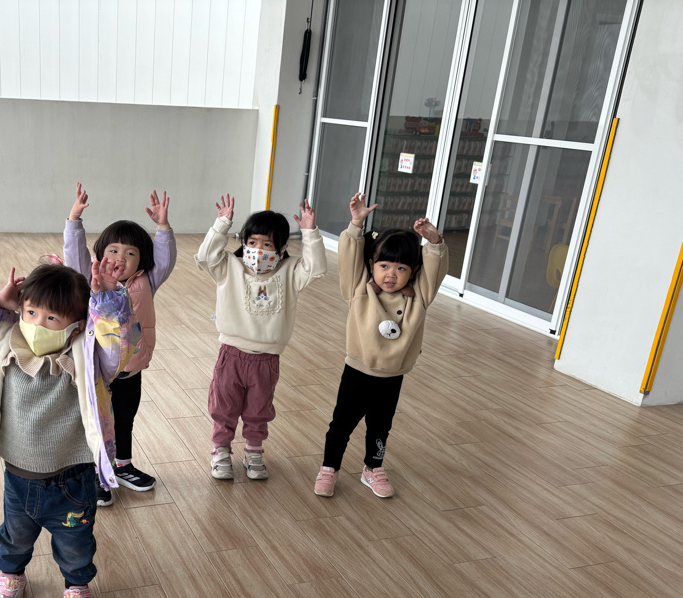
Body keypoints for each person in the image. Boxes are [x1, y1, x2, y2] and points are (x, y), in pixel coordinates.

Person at [0, 258, 139, 598]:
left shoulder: (89, 356)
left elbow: (122, 344)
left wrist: (105, 301)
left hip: (74, 478)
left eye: (52, 318)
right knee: (14, 536)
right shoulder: (2, 346)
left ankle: (76, 586)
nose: (37, 324)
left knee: (75, 542)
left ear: (77, 323)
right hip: (18, 476)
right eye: (31, 312)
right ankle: (11, 575)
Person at [315, 192, 448, 498]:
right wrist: (356, 224)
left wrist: (435, 242)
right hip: (357, 371)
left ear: (413, 272)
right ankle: (329, 467)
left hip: (392, 376)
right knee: (341, 424)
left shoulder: (419, 297)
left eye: (401, 269)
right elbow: (349, 258)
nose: (391, 274)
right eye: (385, 265)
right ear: (372, 264)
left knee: (380, 427)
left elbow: (435, 270)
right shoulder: (358, 290)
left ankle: (372, 468)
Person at [195, 194, 326, 480]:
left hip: (267, 359)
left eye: (267, 245)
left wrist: (310, 232)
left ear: (281, 249)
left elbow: (315, 268)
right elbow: (205, 257)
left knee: (259, 409)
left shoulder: (290, 271)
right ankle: (221, 450)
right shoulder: (229, 267)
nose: (258, 250)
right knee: (224, 406)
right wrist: (221, 224)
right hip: (231, 353)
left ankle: (254, 452)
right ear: (243, 243)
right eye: (252, 242)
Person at [63, 183, 177, 505]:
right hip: (99, 372)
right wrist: (74, 220)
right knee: (98, 423)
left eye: (130, 253)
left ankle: (123, 466)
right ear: (100, 254)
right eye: (113, 251)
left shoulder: (146, 281)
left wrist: (163, 227)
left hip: (130, 370)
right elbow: (74, 255)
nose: (120, 258)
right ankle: (97, 471)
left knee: (125, 419)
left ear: (142, 261)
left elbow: (165, 259)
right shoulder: (91, 278)